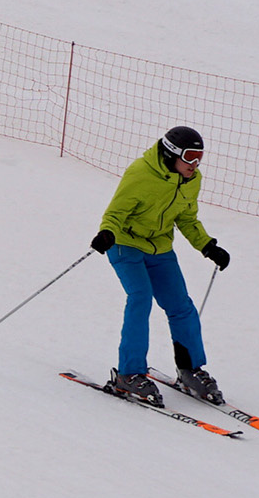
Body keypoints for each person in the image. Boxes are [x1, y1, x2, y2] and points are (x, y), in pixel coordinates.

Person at [89, 125, 230, 406]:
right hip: (124, 243)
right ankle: (129, 373)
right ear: (171, 154)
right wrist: (107, 233)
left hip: (159, 247)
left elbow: (187, 218)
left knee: (181, 305)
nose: (195, 164)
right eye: (189, 157)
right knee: (140, 297)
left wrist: (207, 245)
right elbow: (115, 213)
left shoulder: (191, 179)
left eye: (199, 158)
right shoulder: (140, 174)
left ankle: (190, 369)